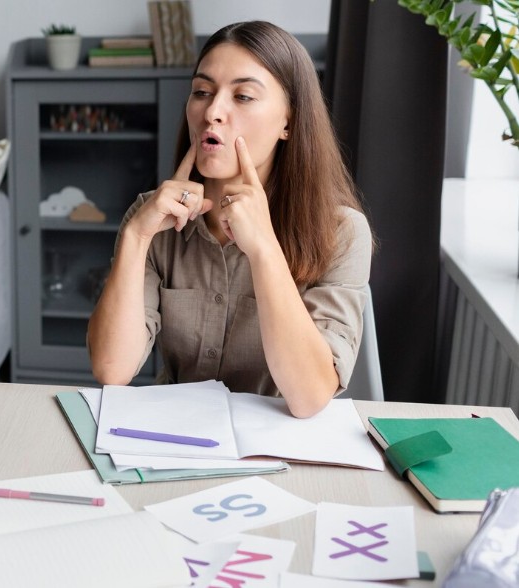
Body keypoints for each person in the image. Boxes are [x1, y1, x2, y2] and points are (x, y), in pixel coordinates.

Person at [87, 21, 372, 419]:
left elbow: (309, 397)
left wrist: (264, 248)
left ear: (288, 121)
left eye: (243, 96)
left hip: (278, 446)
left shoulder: (342, 232)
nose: (213, 112)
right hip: (173, 436)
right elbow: (112, 369)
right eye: (202, 92)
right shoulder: (152, 218)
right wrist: (136, 236)